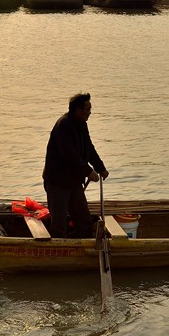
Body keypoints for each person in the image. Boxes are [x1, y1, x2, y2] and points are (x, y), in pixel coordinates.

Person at [42, 93, 109, 238]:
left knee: (83, 220)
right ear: (78, 110)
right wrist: (88, 171)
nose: (90, 113)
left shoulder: (82, 125)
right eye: (87, 110)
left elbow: (89, 148)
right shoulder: (63, 125)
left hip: (74, 182)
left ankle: (83, 247)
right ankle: (58, 254)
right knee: (59, 224)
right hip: (58, 182)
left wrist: (100, 167)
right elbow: (69, 154)